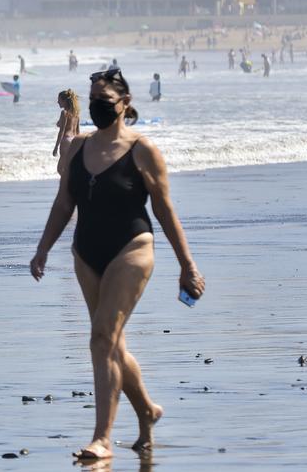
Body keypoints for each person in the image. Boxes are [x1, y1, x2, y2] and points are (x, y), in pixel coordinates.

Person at [29, 68, 205, 461]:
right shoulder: (78, 148)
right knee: (111, 342)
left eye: (104, 102)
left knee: (101, 338)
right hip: (86, 252)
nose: (96, 107)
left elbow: (164, 210)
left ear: (125, 104)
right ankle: (147, 412)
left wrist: (187, 265)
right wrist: (43, 248)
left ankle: (102, 439)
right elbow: (64, 203)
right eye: (92, 100)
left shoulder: (142, 150)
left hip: (133, 248)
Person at [53, 89, 81, 175]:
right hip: (74, 140)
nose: (57, 102)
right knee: (69, 166)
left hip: (66, 140)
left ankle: (67, 185)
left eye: (59, 100)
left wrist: (56, 147)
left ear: (65, 101)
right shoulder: (76, 114)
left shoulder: (64, 113)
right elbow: (77, 131)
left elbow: (61, 131)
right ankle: (71, 184)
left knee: (60, 168)